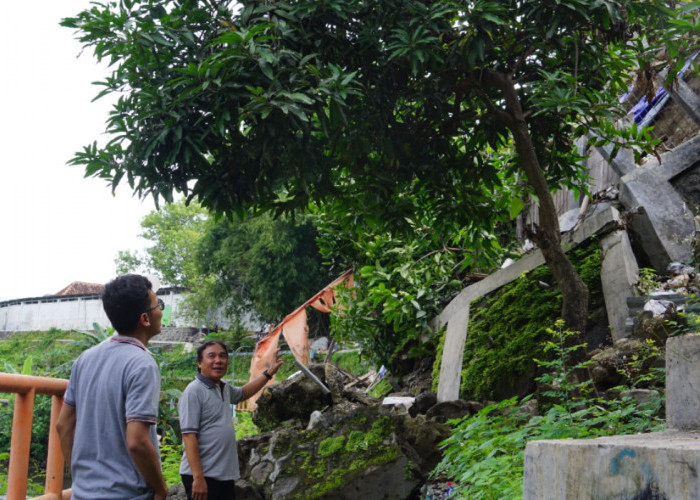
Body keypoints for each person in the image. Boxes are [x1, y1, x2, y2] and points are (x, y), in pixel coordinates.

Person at [56, 274, 168, 500]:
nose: (161, 311)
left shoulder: (85, 358)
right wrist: (160, 488)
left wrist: (81, 480)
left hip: (83, 494)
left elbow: (63, 425)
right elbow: (137, 441)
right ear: (145, 318)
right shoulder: (142, 364)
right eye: (159, 305)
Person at [179, 340, 283, 500]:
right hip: (203, 475)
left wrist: (268, 373)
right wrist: (198, 478)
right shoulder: (194, 391)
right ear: (199, 363)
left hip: (223, 474)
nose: (218, 361)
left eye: (222, 356)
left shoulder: (222, 387)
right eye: (211, 356)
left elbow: (243, 393)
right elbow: (188, 436)